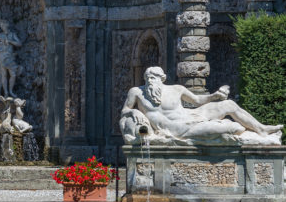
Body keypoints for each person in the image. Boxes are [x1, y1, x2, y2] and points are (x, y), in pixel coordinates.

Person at [120, 66, 282, 145]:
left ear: (162, 78)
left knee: (229, 104)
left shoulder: (177, 89)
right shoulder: (137, 92)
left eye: (154, 77)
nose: (151, 80)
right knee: (235, 129)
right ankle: (227, 129)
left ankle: (261, 129)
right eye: (148, 77)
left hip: (191, 116)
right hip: (178, 130)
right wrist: (134, 113)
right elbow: (125, 110)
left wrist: (215, 96)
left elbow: (197, 101)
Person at [0, 20, 22, 98]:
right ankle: (6, 92)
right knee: (4, 75)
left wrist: (10, 41)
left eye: (3, 24)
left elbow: (19, 43)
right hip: (2, 56)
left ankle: (11, 91)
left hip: (10, 57)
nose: (2, 26)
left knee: (13, 74)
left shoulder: (12, 34)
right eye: (1, 25)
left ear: (7, 24)